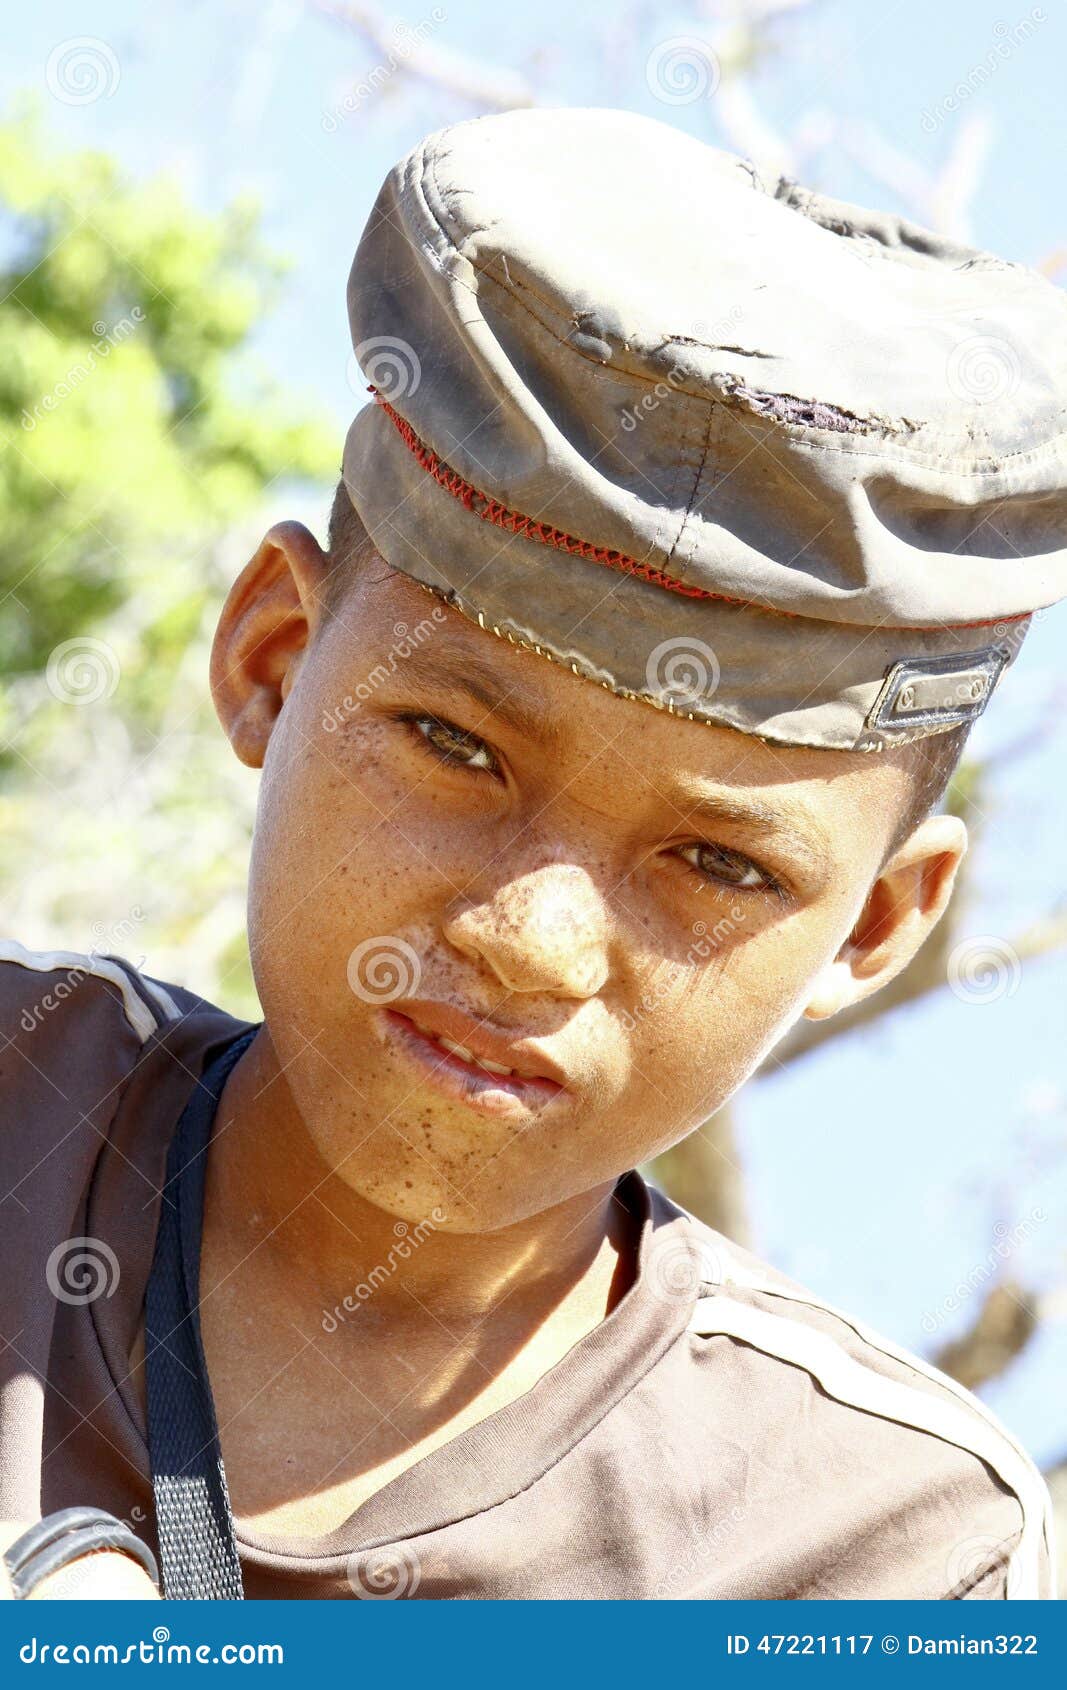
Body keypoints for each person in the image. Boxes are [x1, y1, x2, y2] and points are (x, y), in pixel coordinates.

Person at [2, 107, 1064, 1601]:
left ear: (877, 926)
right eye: (455, 745)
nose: (533, 939)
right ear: (271, 658)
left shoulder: (877, 1551)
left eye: (722, 862)